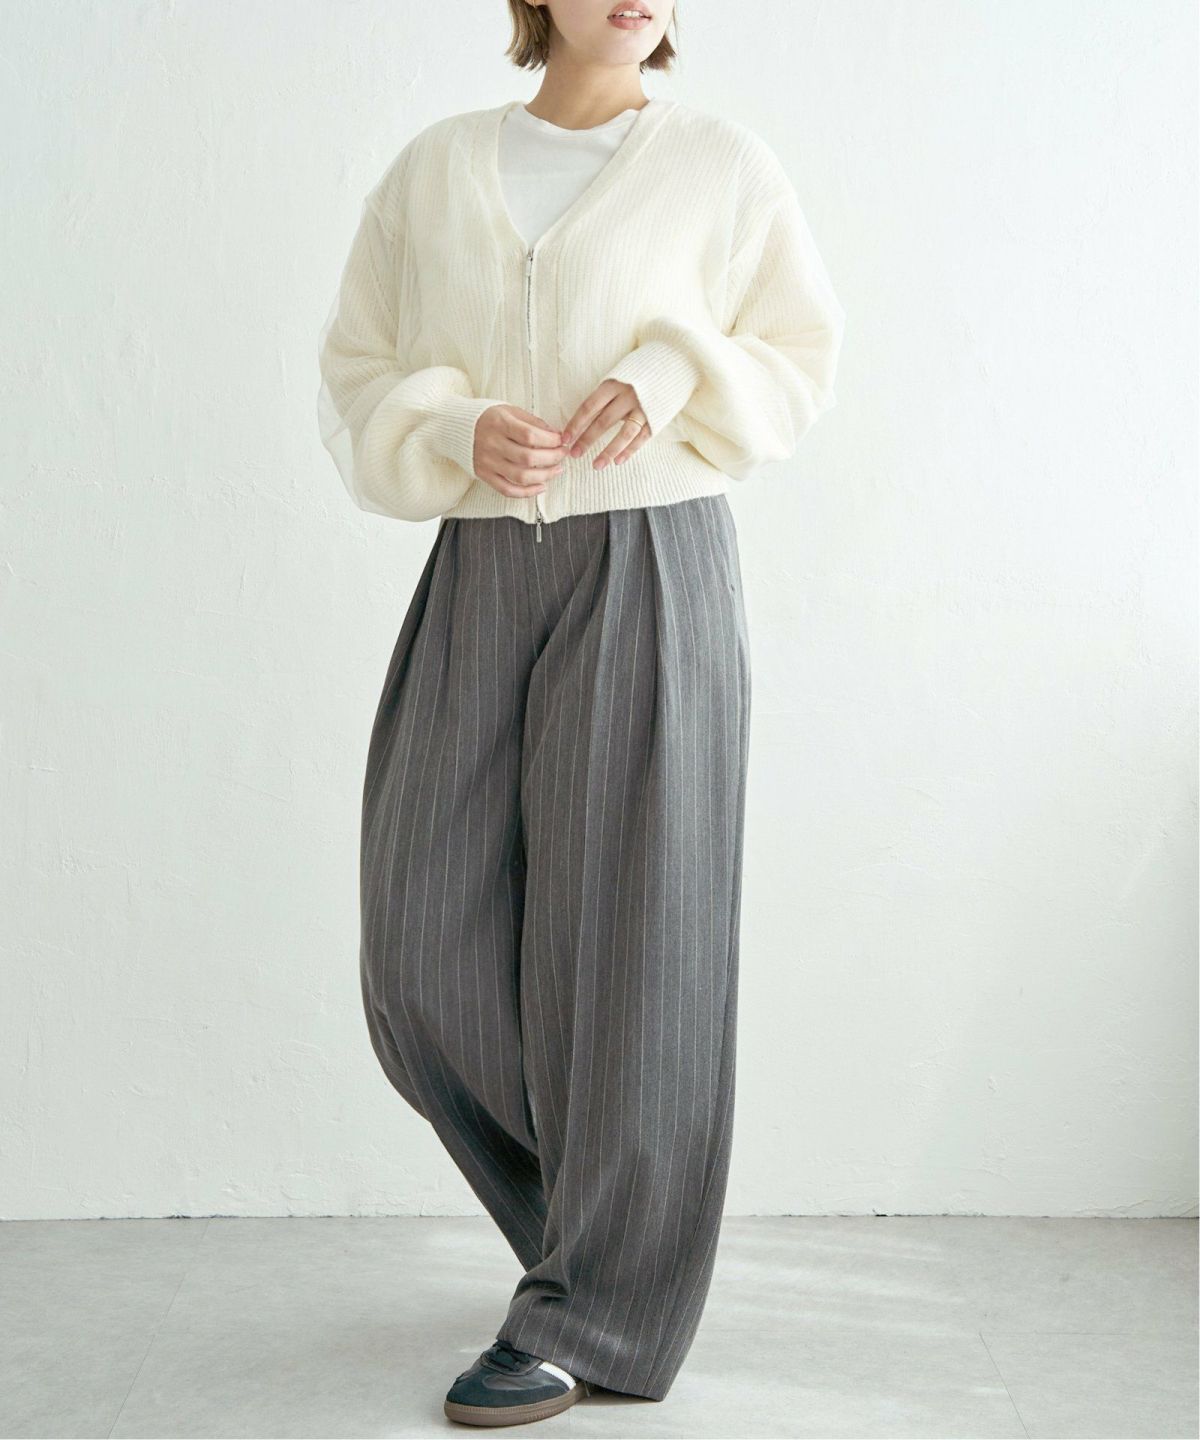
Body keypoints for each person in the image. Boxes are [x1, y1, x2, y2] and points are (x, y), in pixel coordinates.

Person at [316, 0, 845, 1426]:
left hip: (653, 555)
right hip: (482, 559)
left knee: (636, 953)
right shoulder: (435, 169)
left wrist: (672, 372)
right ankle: (602, 1246)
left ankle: (595, 1311)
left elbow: (799, 353)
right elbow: (358, 369)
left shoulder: (722, 165)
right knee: (416, 959)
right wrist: (452, 424)